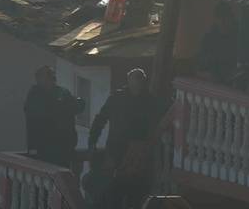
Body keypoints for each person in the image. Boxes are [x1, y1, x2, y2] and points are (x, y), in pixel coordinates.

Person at [87, 68, 168, 209]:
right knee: (114, 189)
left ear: (144, 83)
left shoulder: (150, 101)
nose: (137, 85)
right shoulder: (117, 98)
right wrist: (92, 141)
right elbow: (101, 119)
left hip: (138, 152)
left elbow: (159, 123)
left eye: (140, 82)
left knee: (136, 190)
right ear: (129, 82)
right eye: (134, 81)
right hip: (116, 150)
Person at [23, 64, 84, 167]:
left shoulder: (62, 92)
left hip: (63, 147)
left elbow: (77, 107)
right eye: (47, 77)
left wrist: (76, 103)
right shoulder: (35, 96)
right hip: (43, 147)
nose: (51, 80)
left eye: (51, 77)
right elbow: (36, 117)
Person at [196, 2, 240, 85]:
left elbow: (240, 66)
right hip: (212, 84)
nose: (223, 22)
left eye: (226, 18)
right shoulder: (209, 37)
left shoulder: (239, 38)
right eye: (219, 18)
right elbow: (199, 65)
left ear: (231, 18)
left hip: (234, 84)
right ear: (216, 20)